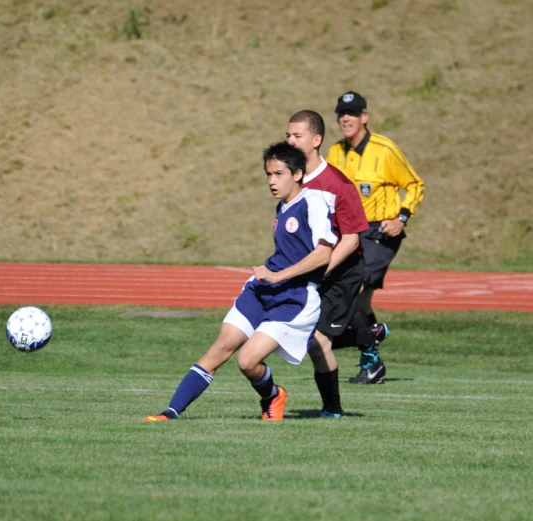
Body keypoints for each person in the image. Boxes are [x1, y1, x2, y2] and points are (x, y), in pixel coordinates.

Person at [143, 142, 336, 422]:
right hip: (262, 289)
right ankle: (170, 412)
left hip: (294, 298)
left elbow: (324, 254)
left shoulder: (313, 203)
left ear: (297, 174)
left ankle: (272, 395)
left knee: (247, 361)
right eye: (268, 174)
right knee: (221, 347)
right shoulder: (283, 206)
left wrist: (278, 275)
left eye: (279, 174)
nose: (272, 181)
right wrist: (270, 276)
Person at [326, 91, 425, 384]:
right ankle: (373, 357)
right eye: (341, 114)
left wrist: (402, 217)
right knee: (359, 304)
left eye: (352, 113)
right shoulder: (335, 151)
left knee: (353, 291)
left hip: (380, 232)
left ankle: (372, 343)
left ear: (364, 118)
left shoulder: (384, 149)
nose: (346, 119)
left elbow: (414, 184)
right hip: (349, 233)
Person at [285, 110, 369, 418]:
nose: (290, 141)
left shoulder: (337, 184)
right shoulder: (291, 179)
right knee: (296, 330)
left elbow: (351, 240)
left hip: (342, 271)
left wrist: (321, 269)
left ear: (316, 140)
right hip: (314, 269)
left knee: (317, 340)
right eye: (288, 135)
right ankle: (366, 335)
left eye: (298, 136)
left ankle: (332, 410)